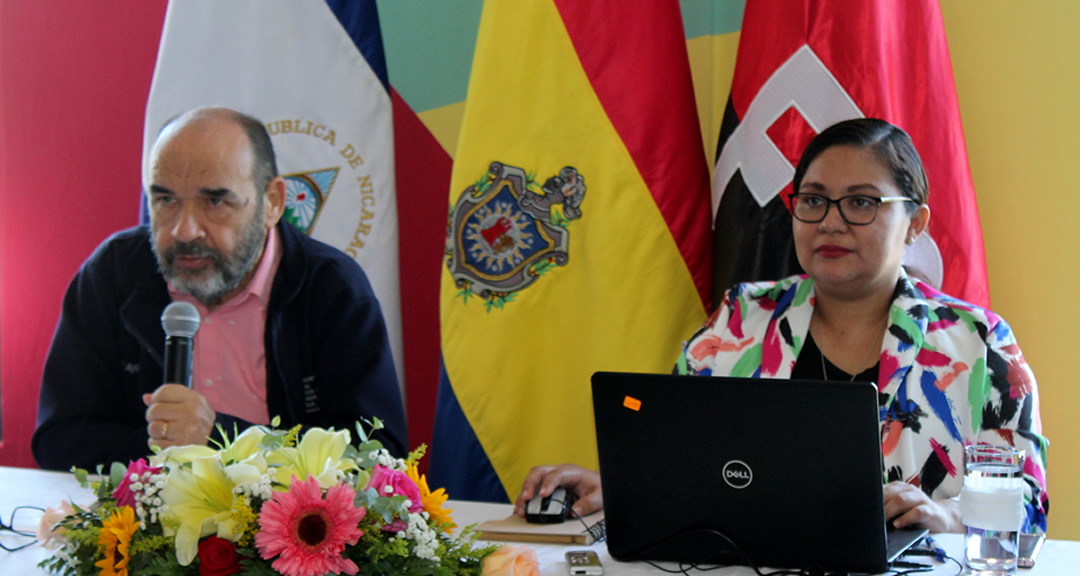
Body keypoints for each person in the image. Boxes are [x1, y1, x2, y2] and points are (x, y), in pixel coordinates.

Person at [515, 118, 1049, 535]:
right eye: (813, 200)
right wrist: (618, 487)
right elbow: (675, 459)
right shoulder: (740, 320)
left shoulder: (977, 342)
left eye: (861, 202)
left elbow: (1027, 503)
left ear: (915, 222)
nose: (831, 221)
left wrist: (949, 518)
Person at [32, 107, 407, 470]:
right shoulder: (113, 273)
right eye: (165, 200)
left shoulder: (331, 287)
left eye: (215, 201)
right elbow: (60, 437)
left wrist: (221, 439)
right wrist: (170, 461)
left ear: (272, 202)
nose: (184, 230)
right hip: (142, 527)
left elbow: (377, 456)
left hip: (282, 526)